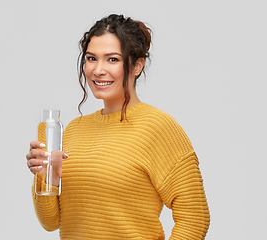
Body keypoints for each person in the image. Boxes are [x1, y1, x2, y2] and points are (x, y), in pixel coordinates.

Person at [26, 14, 210, 239]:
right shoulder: (73, 130)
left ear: (137, 66)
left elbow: (195, 217)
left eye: (112, 59)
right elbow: (51, 222)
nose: (98, 70)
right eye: (91, 58)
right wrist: (45, 176)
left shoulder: (158, 127)